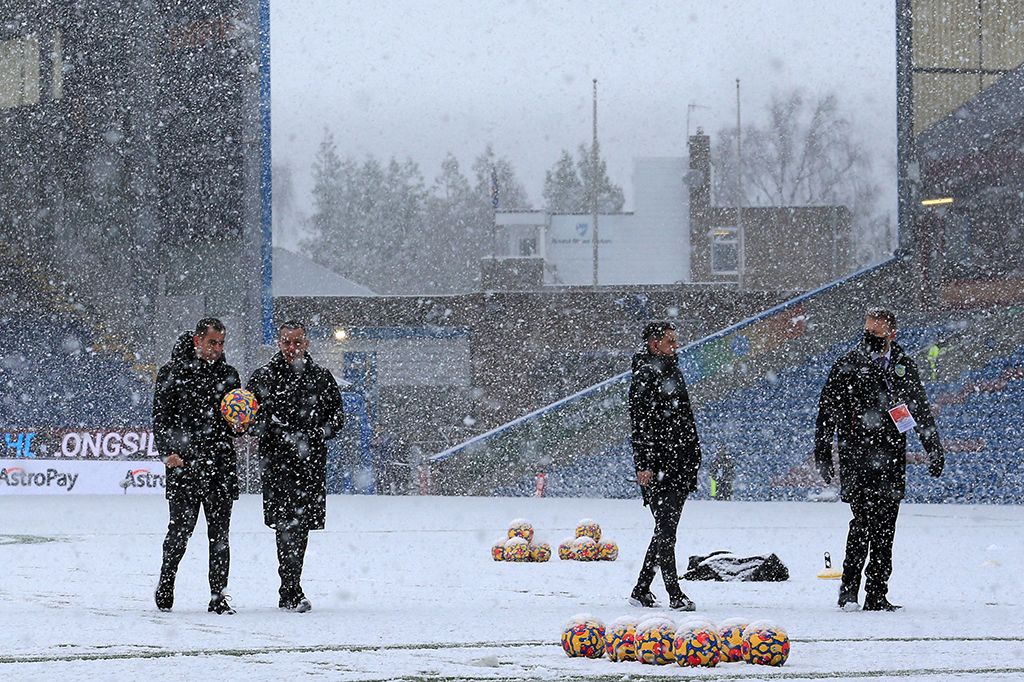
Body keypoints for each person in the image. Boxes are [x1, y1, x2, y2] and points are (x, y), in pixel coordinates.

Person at [815, 306, 944, 612]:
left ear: (892, 334)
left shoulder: (903, 366)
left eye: (876, 332)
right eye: (867, 331)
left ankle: (877, 594)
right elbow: (827, 411)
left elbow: (919, 409)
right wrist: (823, 453)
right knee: (862, 523)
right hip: (857, 456)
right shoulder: (847, 364)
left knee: (886, 528)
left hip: (891, 458)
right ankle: (849, 593)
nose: (869, 337)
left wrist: (933, 448)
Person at [247, 321, 345, 612]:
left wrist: (318, 433)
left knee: (300, 527)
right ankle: (291, 589)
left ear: (307, 343)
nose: (292, 348)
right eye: (287, 342)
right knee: (286, 525)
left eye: (297, 342)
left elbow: (337, 418)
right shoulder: (264, 377)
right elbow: (249, 420)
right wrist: (272, 429)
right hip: (277, 463)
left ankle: (290, 587)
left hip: (310, 464)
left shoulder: (321, 377)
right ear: (278, 343)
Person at [153, 318, 245, 614]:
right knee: (180, 532)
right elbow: (161, 417)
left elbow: (235, 421)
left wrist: (240, 427)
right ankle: (166, 581)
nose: (217, 348)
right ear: (197, 341)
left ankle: (218, 596)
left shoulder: (229, 375)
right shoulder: (172, 372)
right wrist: (168, 452)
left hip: (220, 465)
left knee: (220, 536)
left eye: (221, 343)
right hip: (185, 465)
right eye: (211, 342)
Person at [628, 321, 702, 611]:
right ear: (654, 344)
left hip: (679, 462)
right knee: (666, 531)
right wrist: (645, 464)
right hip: (660, 464)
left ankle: (641, 589)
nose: (676, 346)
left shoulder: (672, 372)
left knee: (664, 529)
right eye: (670, 341)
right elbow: (640, 424)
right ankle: (674, 593)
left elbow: (684, 419)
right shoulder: (646, 375)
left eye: (675, 340)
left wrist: (692, 455)